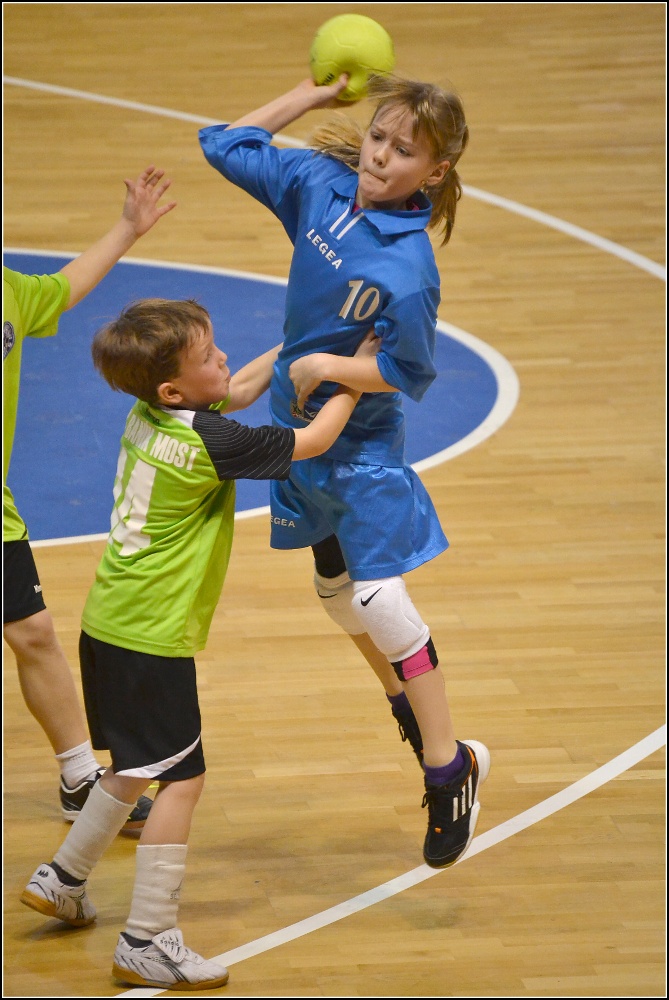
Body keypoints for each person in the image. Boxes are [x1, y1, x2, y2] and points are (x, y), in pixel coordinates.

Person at [21, 297, 373, 990]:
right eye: (209, 356)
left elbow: (233, 390)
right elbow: (312, 442)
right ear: (173, 390)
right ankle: (147, 939)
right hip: (150, 638)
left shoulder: (146, 414)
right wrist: (355, 376)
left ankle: (63, 878)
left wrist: (298, 345)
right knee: (182, 779)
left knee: (134, 766)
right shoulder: (209, 444)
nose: (224, 359)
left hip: (109, 623)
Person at [198, 73, 490, 869]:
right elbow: (222, 143)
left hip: (359, 449)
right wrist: (308, 94)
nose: (380, 156)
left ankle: (447, 768)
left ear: (434, 171)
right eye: (377, 136)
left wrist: (330, 365)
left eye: (403, 151)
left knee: (376, 598)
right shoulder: (319, 184)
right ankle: (409, 705)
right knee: (335, 598)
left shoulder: (408, 269)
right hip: (295, 431)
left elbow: (406, 370)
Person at [3, 166, 176, 832]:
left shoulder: (9, 290)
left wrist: (128, 228)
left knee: (34, 632)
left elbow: (64, 287)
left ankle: (80, 778)